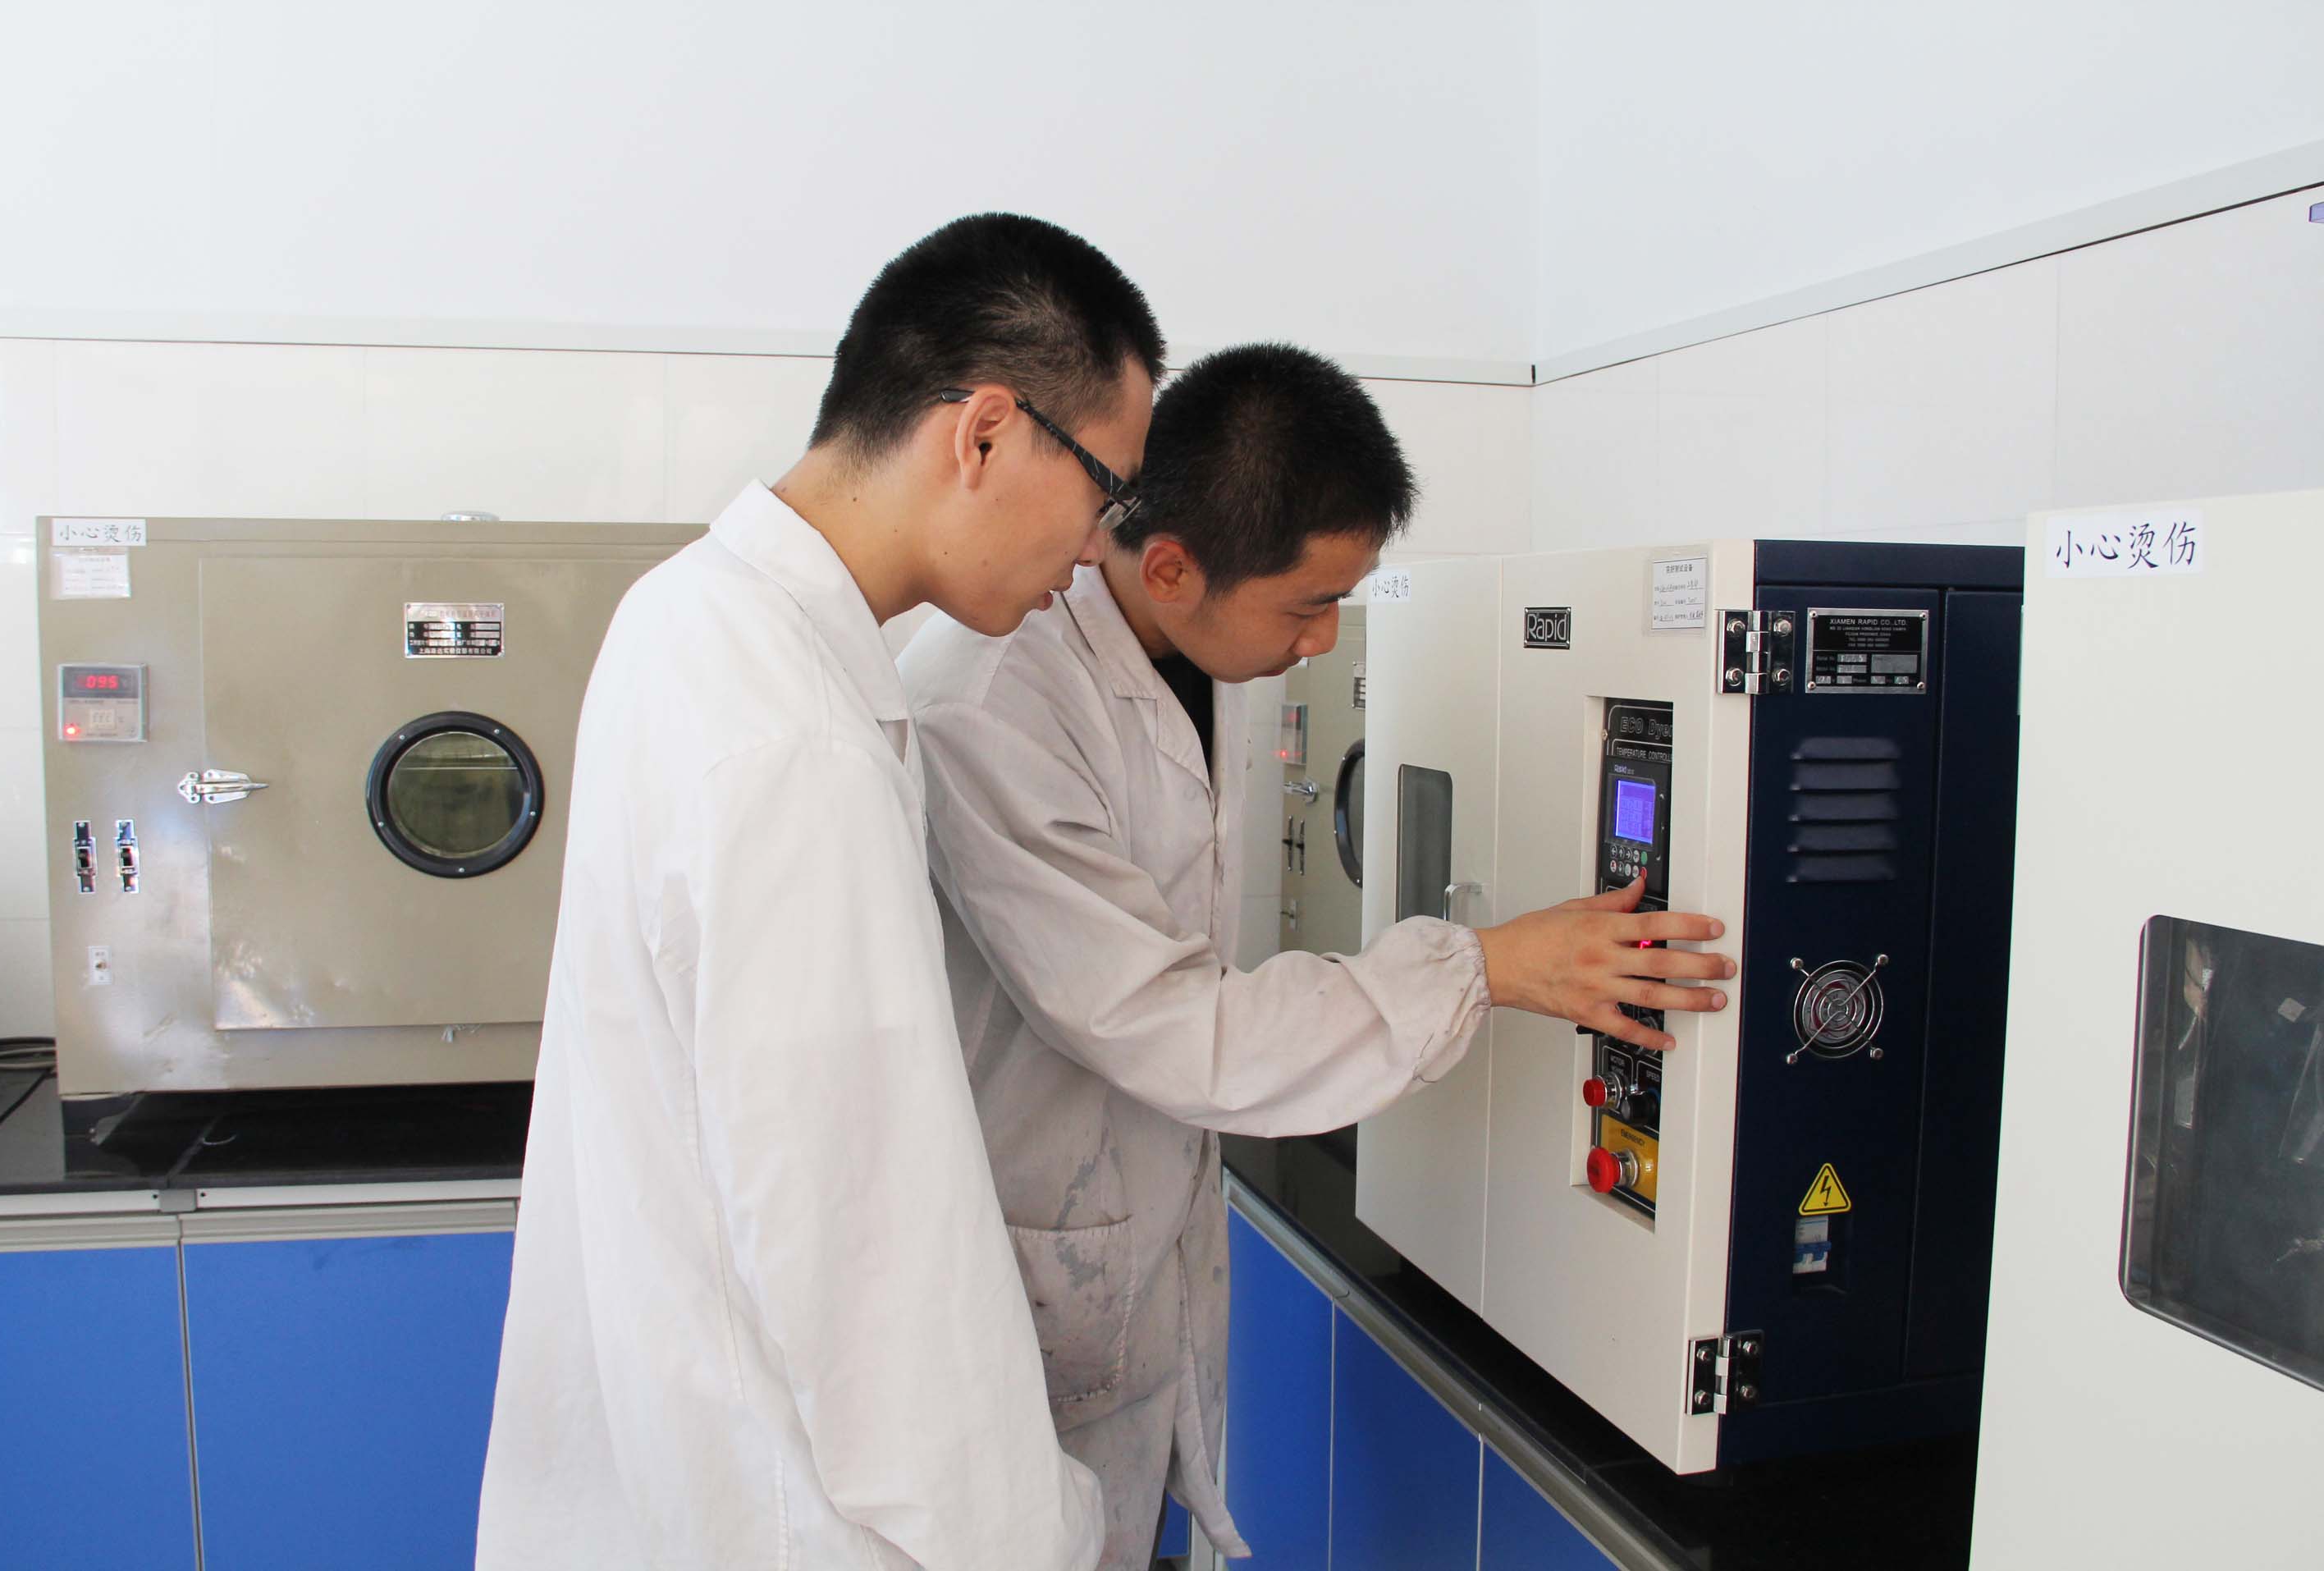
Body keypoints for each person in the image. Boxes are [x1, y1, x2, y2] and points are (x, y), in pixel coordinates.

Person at [898, 343, 1736, 1568]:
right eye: (1306, 605)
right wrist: (1488, 966)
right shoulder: (989, 705)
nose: (1327, 639)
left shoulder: (1202, 651)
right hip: (1030, 1262)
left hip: (1141, 1238)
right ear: (1172, 568)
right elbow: (1174, 1025)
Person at [476, 213, 1167, 1571]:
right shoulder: (795, 740)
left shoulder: (686, 614)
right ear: (984, 433)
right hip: (787, 1520)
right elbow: (871, 1269)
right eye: (1106, 492)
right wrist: (1040, 1536)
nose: (1099, 549)